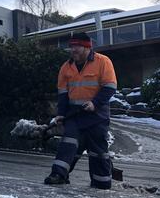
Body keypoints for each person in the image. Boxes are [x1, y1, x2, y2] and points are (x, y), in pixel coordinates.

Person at [44, 32, 117, 189]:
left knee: (98, 152)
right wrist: (61, 114)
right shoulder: (66, 67)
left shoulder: (103, 62)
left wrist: (95, 103)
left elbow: (110, 87)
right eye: (71, 46)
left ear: (87, 47)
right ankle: (58, 175)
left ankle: (101, 183)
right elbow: (63, 94)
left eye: (77, 46)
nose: (73, 50)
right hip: (74, 115)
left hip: (96, 115)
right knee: (68, 143)